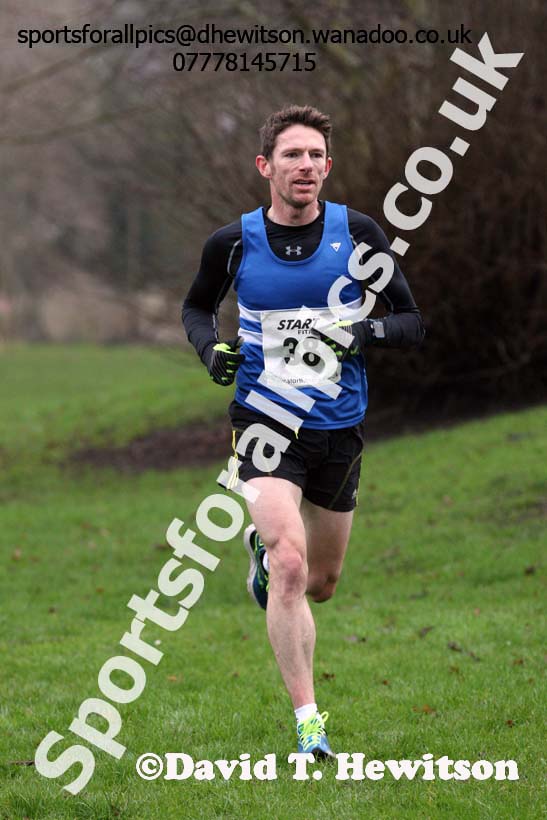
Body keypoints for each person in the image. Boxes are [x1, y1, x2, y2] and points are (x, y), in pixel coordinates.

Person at [182, 104, 424, 759]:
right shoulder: (232, 242)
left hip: (337, 429)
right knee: (289, 567)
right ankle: (308, 725)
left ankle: (266, 556)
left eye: (316, 156)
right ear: (266, 166)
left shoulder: (360, 234)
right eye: (292, 155)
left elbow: (408, 320)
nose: (306, 166)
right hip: (264, 423)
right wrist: (212, 352)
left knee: (321, 581)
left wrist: (359, 330)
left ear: (327, 167)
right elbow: (197, 306)